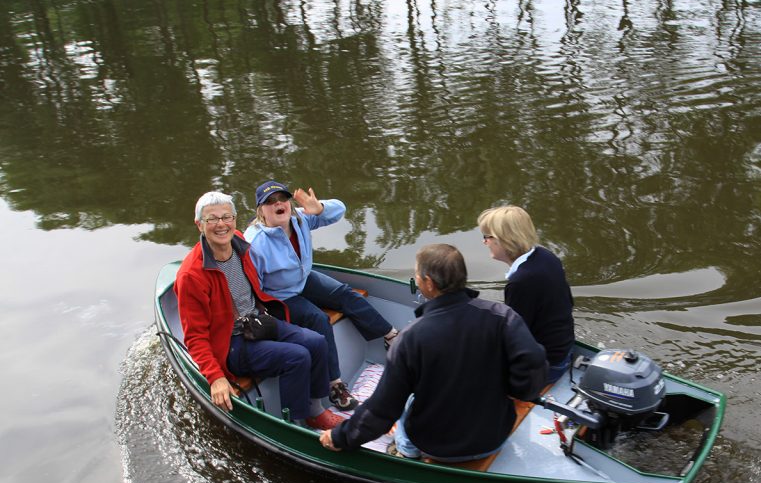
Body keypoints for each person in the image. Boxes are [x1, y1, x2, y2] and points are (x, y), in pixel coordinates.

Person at [319, 244, 547, 461]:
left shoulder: (411, 338)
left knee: (407, 402)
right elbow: (534, 362)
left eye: (417, 275)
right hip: (494, 437)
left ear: (428, 283)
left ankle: (404, 450)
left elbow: (381, 411)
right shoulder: (502, 316)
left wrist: (340, 437)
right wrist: (516, 390)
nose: (417, 280)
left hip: (437, 447)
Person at [175, 191, 343, 430]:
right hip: (231, 342)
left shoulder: (240, 243)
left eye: (226, 217)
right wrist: (215, 377)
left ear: (234, 219)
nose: (221, 224)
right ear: (199, 224)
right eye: (212, 219)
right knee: (297, 357)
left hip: (257, 322)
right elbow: (194, 336)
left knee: (316, 342)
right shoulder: (191, 275)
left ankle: (315, 411)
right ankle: (295, 423)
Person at [244, 180, 398, 411]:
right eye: (270, 202)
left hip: (303, 279)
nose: (278, 204)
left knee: (346, 294)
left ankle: (391, 336)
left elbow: (340, 210)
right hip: (278, 296)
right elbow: (251, 285)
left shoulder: (300, 219)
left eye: (282, 199)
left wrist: (320, 209)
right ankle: (334, 385)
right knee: (318, 319)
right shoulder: (255, 241)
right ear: (261, 210)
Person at [476, 205, 575, 383]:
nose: (485, 242)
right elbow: (569, 302)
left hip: (548, 366)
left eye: (487, 237)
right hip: (564, 349)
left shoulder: (522, 281)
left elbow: (515, 337)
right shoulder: (546, 256)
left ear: (503, 240)